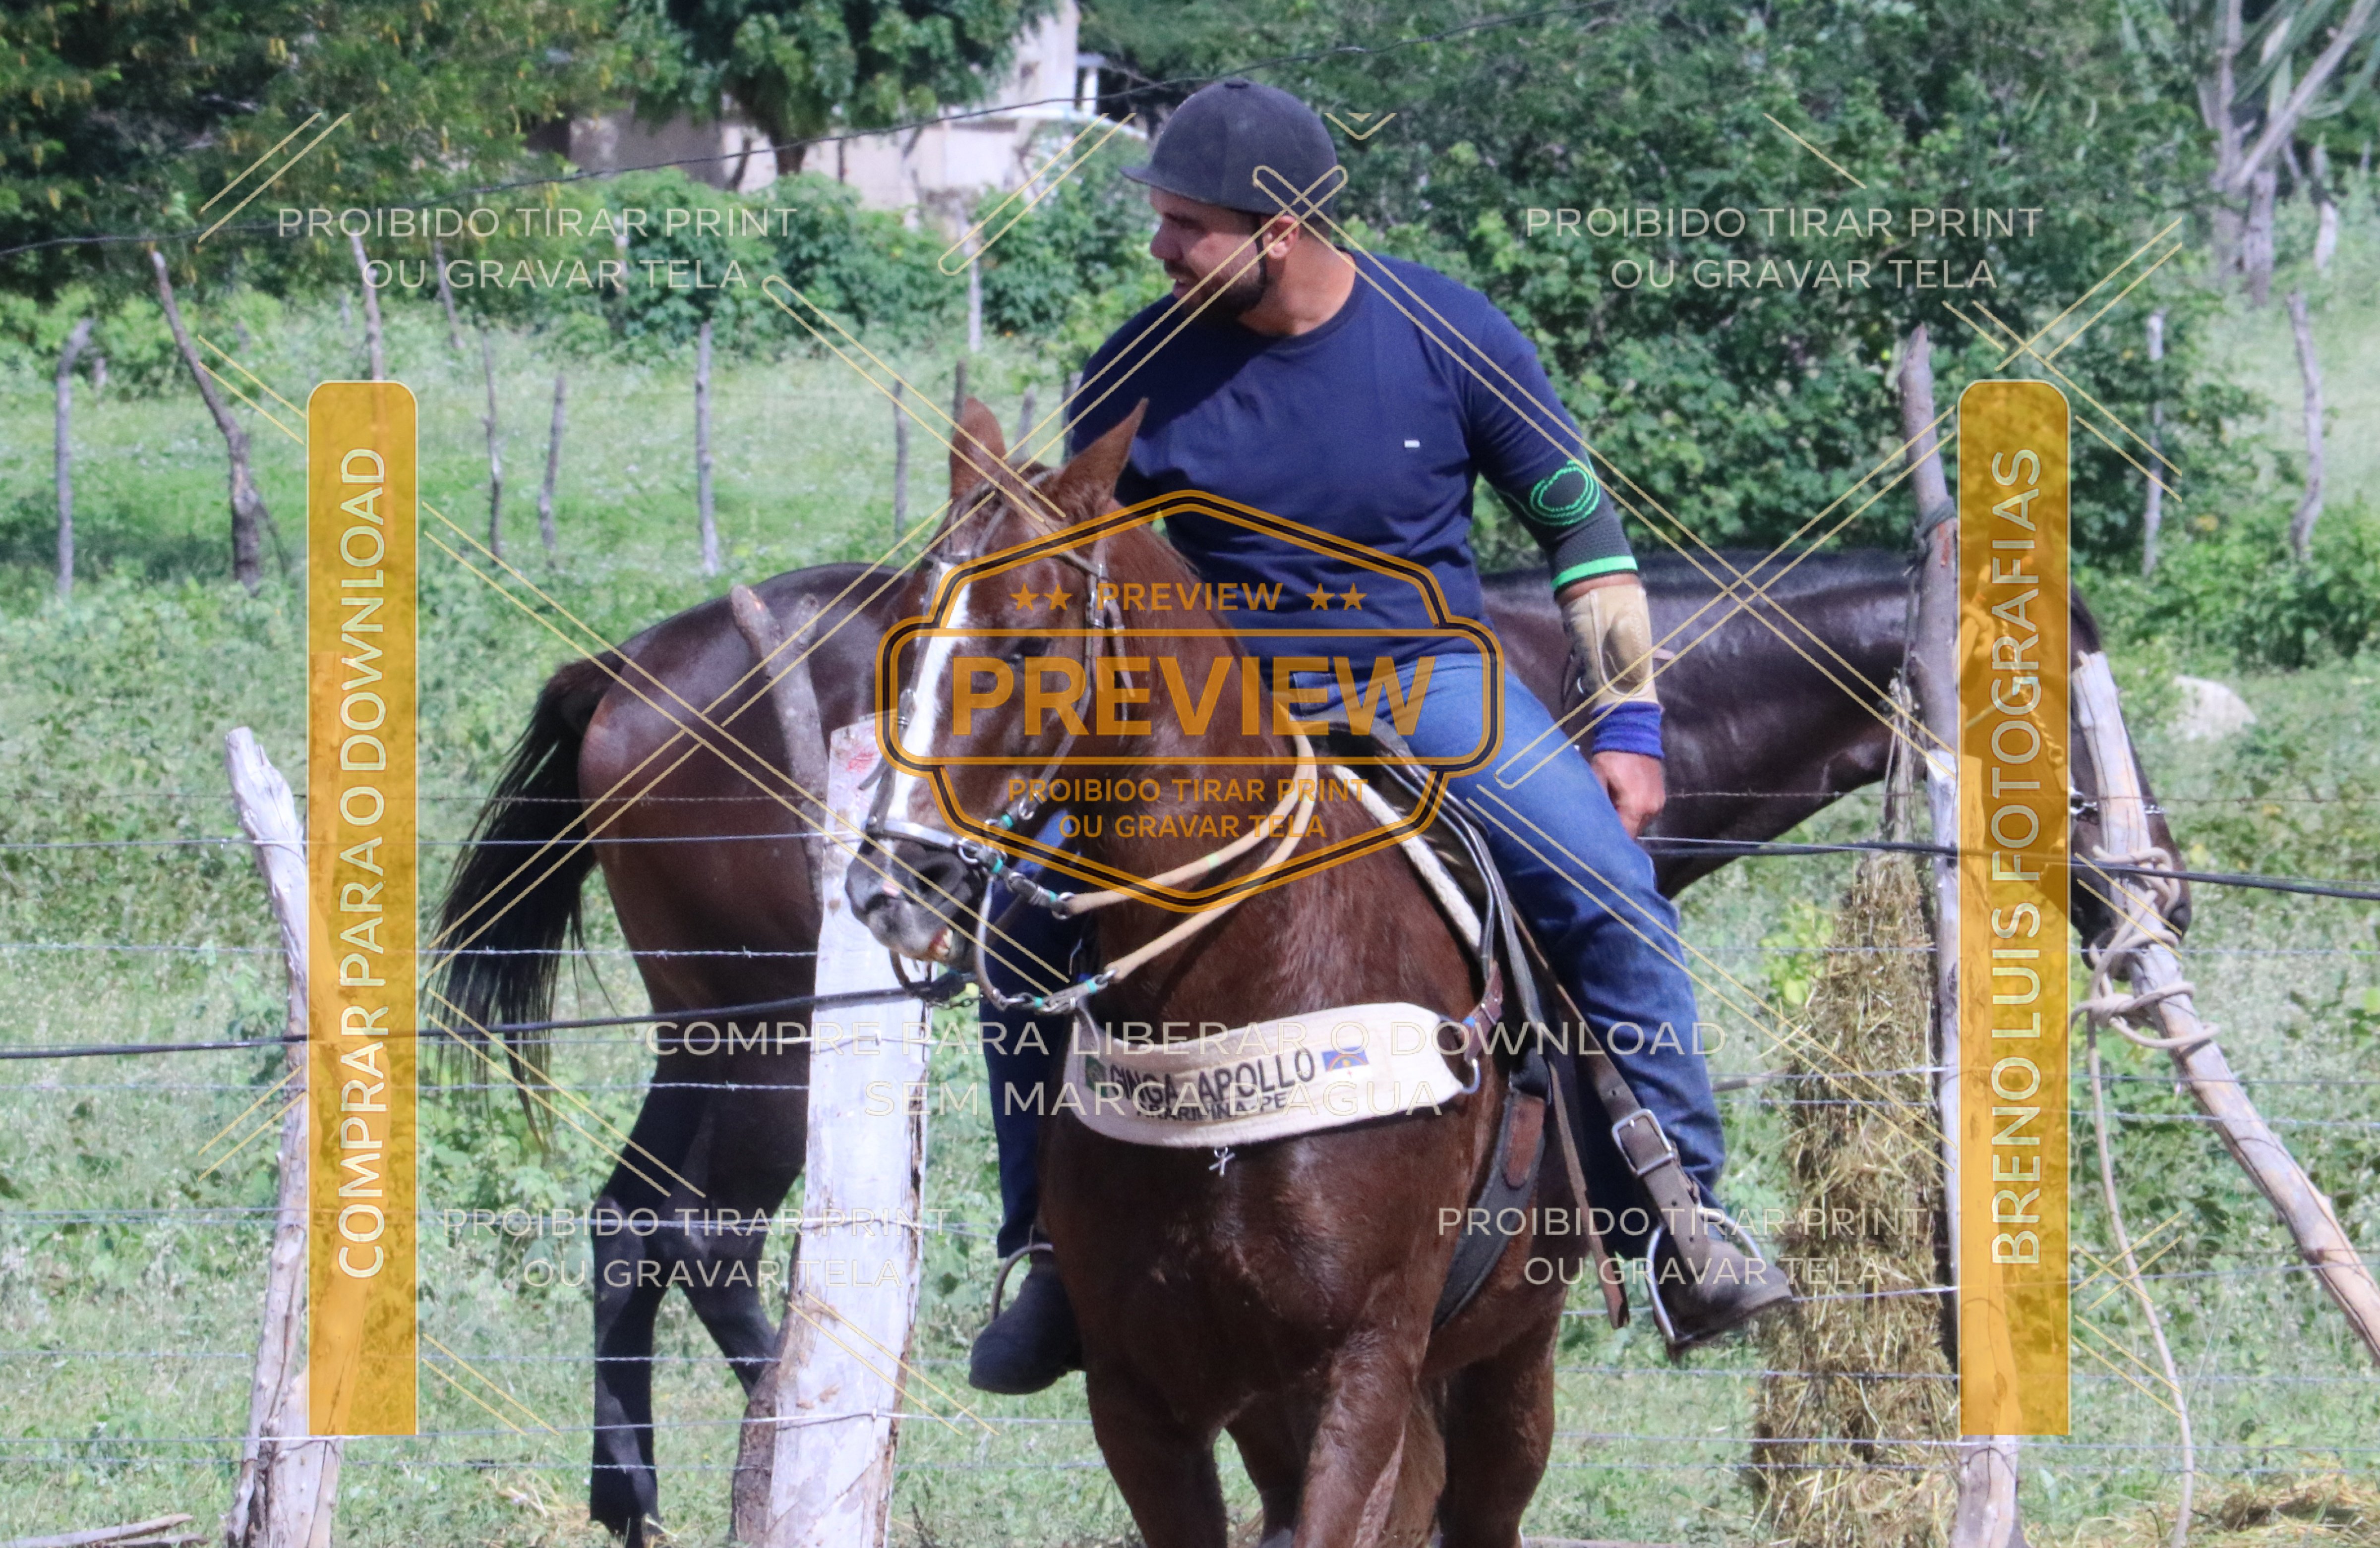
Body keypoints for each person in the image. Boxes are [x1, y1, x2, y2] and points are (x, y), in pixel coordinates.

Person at [966, 79, 1789, 1395]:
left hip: (1426, 682)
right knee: (1020, 915)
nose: (1161, 247)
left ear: (1280, 230)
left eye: (1187, 225)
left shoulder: (1449, 334)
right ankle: (1051, 1254)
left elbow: (1583, 534)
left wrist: (1629, 720)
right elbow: (1085, 579)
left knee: (1608, 892)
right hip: (1221, 717)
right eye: (1161, 219)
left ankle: (1679, 1215)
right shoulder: (1132, 367)